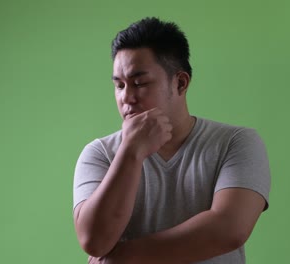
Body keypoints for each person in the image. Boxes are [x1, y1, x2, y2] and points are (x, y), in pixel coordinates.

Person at [72, 17, 271, 264]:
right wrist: (131, 150)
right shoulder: (99, 153)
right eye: (120, 85)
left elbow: (228, 229)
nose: (127, 97)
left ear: (180, 82)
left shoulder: (236, 142)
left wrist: (123, 258)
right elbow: (94, 240)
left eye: (140, 83)